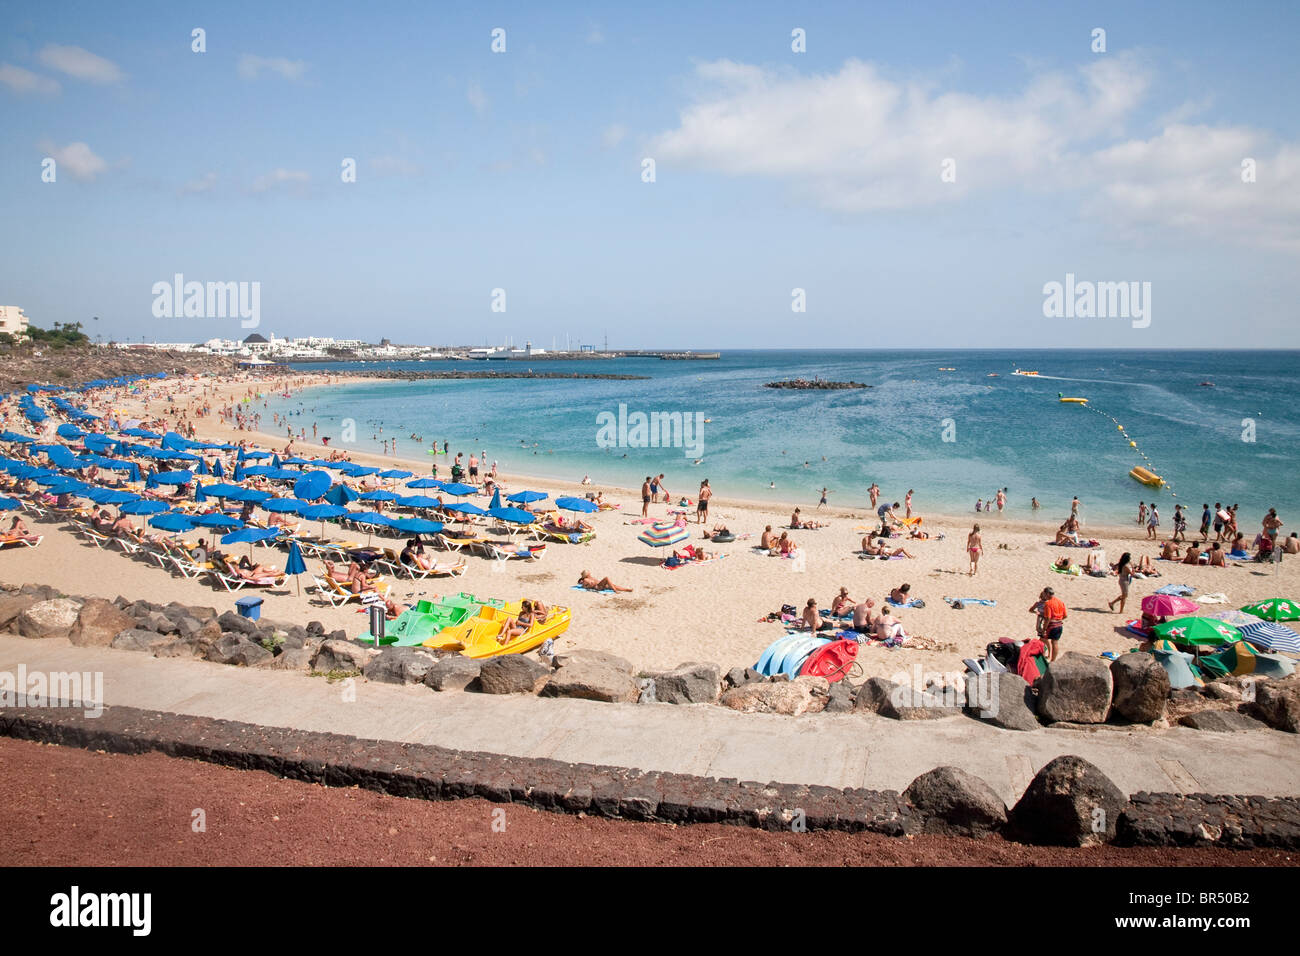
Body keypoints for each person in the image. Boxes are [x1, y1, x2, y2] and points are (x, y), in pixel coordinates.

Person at [1033, 587, 1067, 662]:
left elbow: (1048, 618)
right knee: (1055, 642)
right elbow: (1065, 616)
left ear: (1047, 594)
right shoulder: (1060, 602)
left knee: (1042, 639)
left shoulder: (1048, 603)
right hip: (1059, 624)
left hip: (1052, 625)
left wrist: (1044, 629)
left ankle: (1040, 657)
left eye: (1044, 593)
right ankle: (1053, 660)